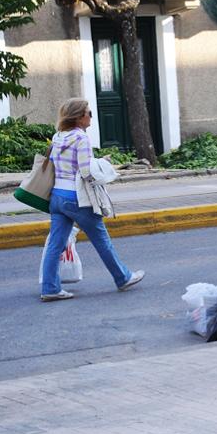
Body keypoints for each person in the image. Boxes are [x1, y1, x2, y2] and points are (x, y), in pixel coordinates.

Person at [39, 98, 144, 301]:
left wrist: (94, 161)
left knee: (55, 244)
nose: (91, 117)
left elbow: (59, 165)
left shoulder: (58, 136)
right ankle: (123, 277)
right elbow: (86, 172)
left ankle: (50, 288)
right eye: (89, 113)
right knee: (102, 240)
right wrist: (103, 165)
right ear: (79, 117)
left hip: (57, 197)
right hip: (76, 198)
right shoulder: (81, 138)